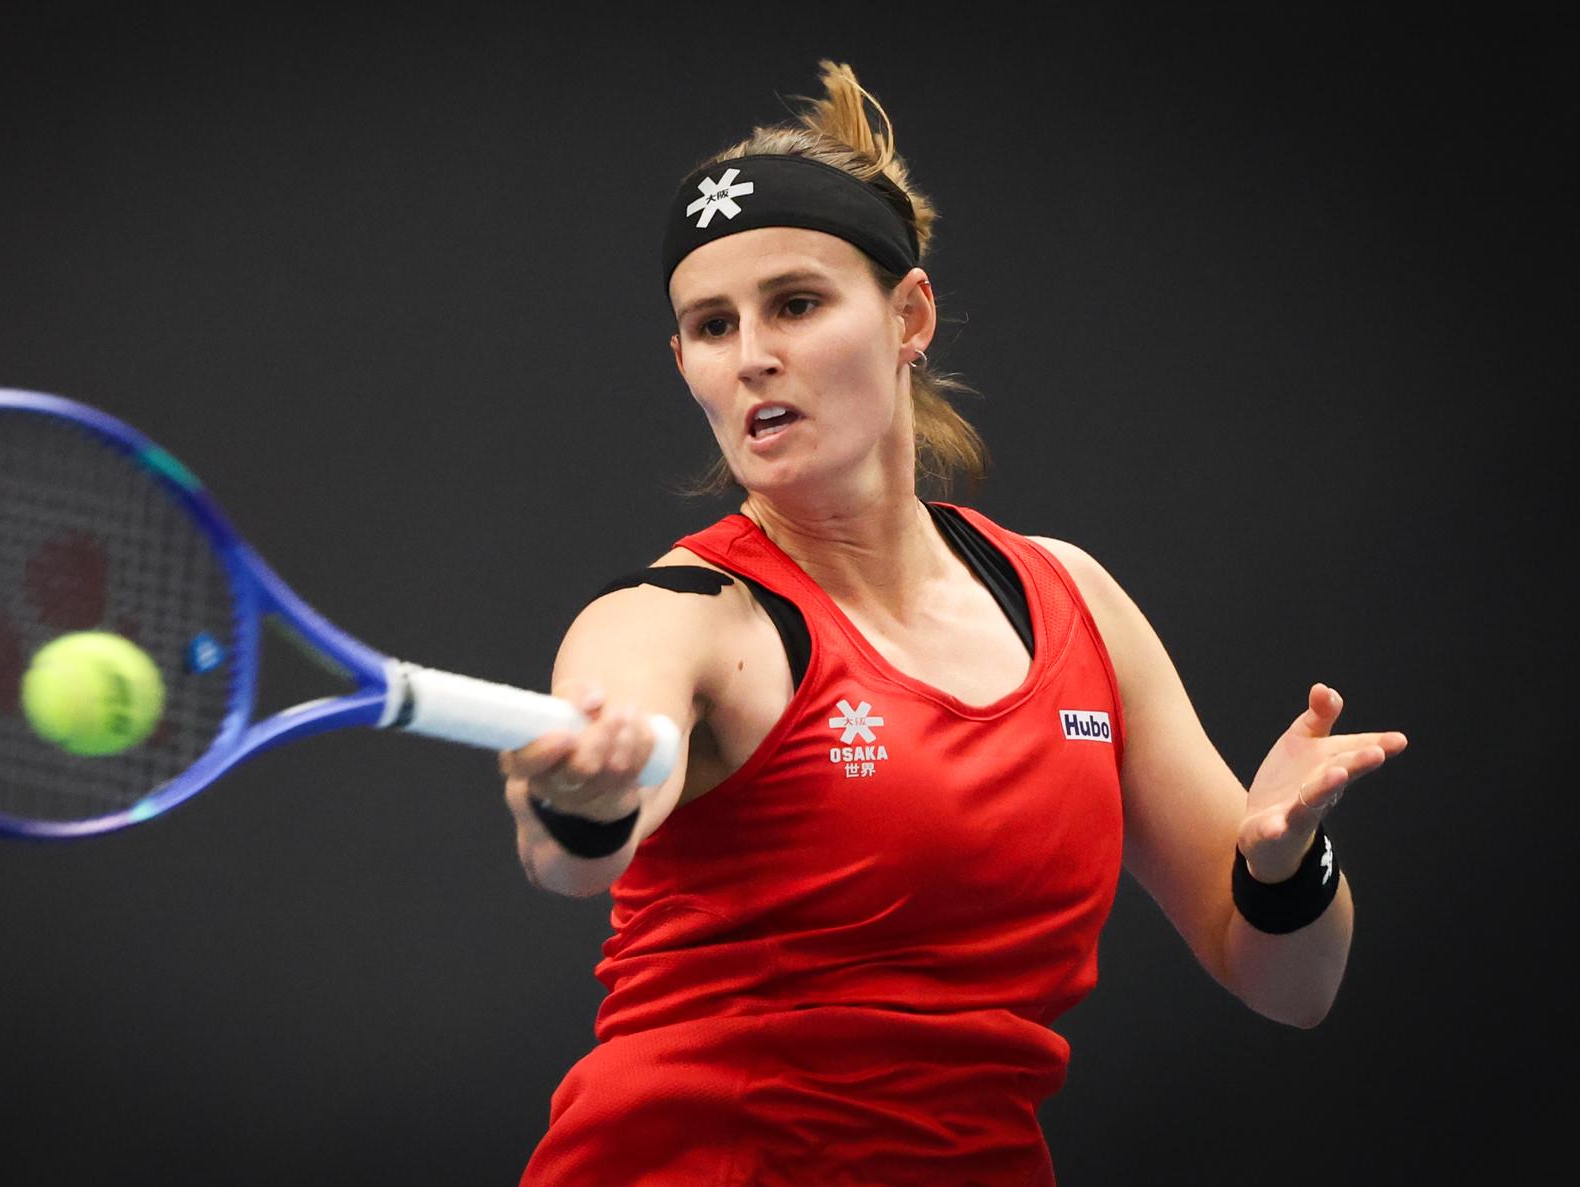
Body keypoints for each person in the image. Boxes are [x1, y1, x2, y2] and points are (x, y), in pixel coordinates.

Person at [499, 61, 1407, 1186]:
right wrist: (584, 799)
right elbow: (572, 848)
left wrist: (1285, 859)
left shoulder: (1072, 596)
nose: (752, 355)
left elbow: (1290, 982)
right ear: (684, 359)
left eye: (795, 302)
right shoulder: (679, 618)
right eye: (710, 325)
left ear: (909, 315)